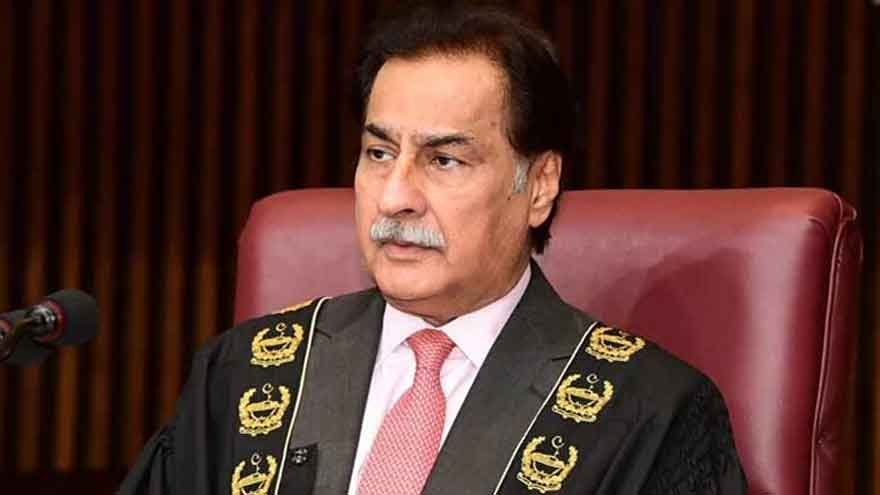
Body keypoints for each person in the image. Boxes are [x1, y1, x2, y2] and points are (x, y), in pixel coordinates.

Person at [120, 2, 747, 494]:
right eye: (379, 153)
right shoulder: (247, 372)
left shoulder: (647, 413)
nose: (395, 197)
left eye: (444, 160)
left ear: (539, 185)